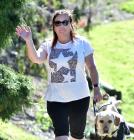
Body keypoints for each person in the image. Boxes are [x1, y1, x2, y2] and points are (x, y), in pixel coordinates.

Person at [16, 9, 102, 140]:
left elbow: (92, 67)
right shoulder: (48, 45)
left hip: (79, 98)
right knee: (61, 136)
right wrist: (28, 40)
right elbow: (36, 58)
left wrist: (96, 88)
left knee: (76, 136)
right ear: (53, 26)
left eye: (65, 22)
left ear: (71, 24)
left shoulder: (82, 43)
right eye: (57, 23)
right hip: (56, 99)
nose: (61, 26)